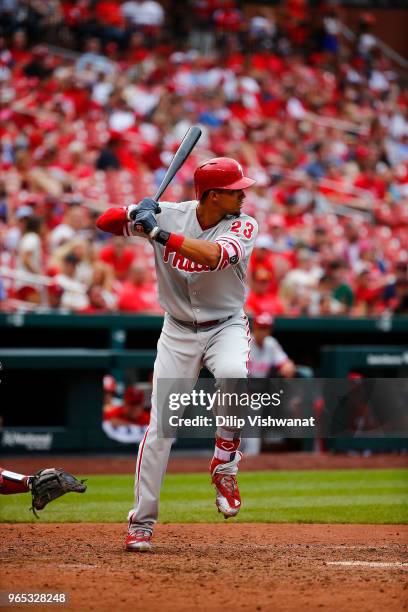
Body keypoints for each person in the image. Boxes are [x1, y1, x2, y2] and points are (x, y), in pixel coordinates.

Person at [96, 156, 257, 552]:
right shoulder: (166, 214)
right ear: (213, 195)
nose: (243, 194)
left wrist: (159, 234)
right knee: (159, 431)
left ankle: (224, 461)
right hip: (178, 331)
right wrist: (136, 210)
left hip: (226, 324)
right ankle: (141, 523)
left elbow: (215, 256)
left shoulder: (244, 224)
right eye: (235, 190)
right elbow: (105, 222)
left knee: (235, 371)